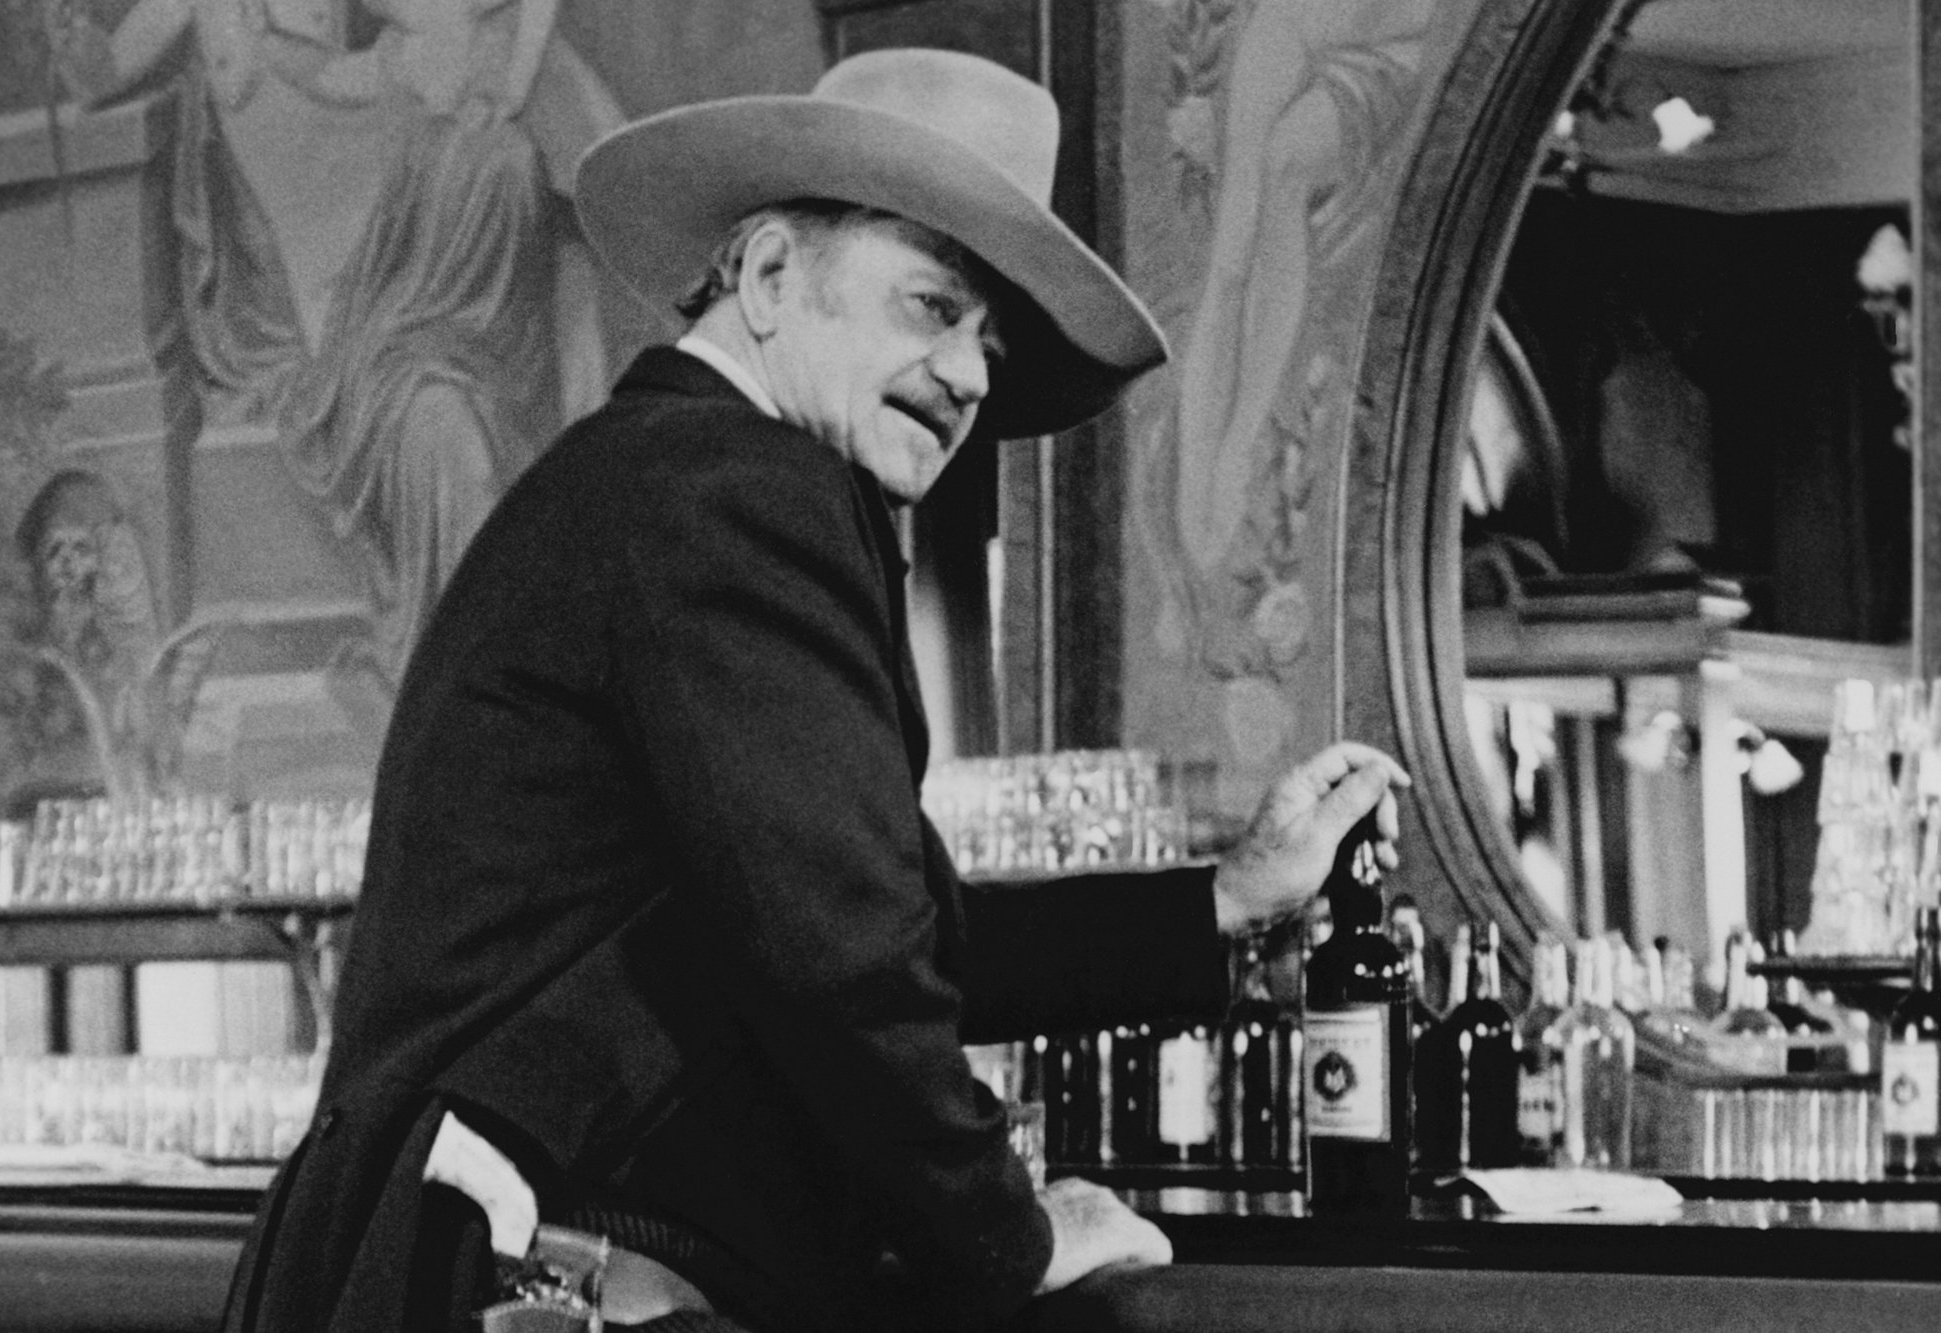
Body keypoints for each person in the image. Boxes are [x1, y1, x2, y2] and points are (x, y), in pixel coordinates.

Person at [220, 48, 1408, 1333]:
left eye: (988, 342)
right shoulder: (740, 491)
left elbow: (897, 937)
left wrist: (1225, 899)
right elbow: (842, 960)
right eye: (929, 306)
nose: (967, 375)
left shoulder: (658, 476)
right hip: (566, 1274)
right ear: (771, 276)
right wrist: (1008, 1236)